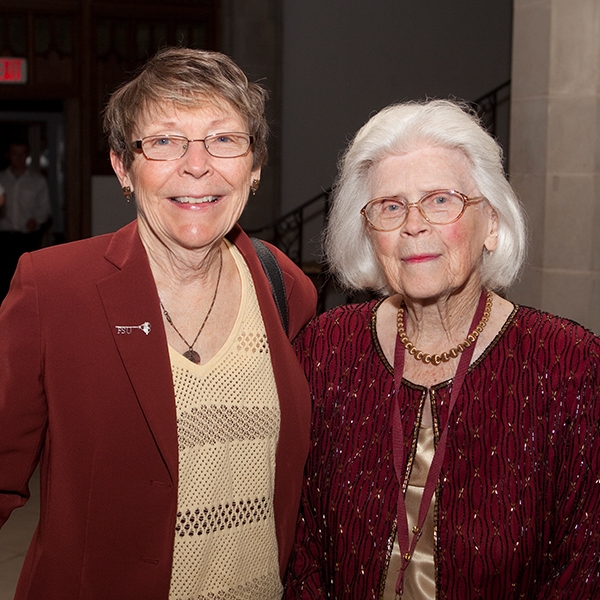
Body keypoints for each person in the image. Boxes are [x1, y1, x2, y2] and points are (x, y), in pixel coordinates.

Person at [0, 47, 317, 600]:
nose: (197, 166)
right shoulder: (53, 288)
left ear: (255, 166)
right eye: (165, 141)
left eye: (223, 139)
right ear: (123, 166)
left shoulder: (285, 286)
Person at [284, 100, 600, 598]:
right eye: (390, 206)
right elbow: (300, 546)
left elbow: (583, 567)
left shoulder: (569, 364)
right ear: (369, 234)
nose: (414, 225)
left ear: (491, 223)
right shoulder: (325, 349)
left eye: (440, 200)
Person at [0, 139, 52, 299]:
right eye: (15, 154)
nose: (18, 158)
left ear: (27, 155)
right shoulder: (1, 179)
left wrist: (36, 220)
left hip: (27, 238)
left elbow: (45, 208)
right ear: (9, 156)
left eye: (22, 154)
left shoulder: (37, 181)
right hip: (3, 238)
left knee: (26, 280)